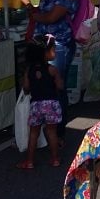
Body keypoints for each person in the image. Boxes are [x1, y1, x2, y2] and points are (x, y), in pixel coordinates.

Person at [30, 0, 79, 144]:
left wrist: (34, 16)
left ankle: (58, 132)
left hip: (59, 45)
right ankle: (47, 130)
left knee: (57, 88)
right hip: (45, 43)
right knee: (45, 88)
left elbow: (52, 17)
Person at [16, 35, 63, 170]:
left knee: (33, 133)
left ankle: (29, 161)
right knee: (51, 132)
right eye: (53, 49)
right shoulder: (52, 70)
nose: (54, 51)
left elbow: (25, 88)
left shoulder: (29, 71)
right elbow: (60, 86)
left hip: (36, 105)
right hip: (51, 104)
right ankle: (55, 159)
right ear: (44, 53)